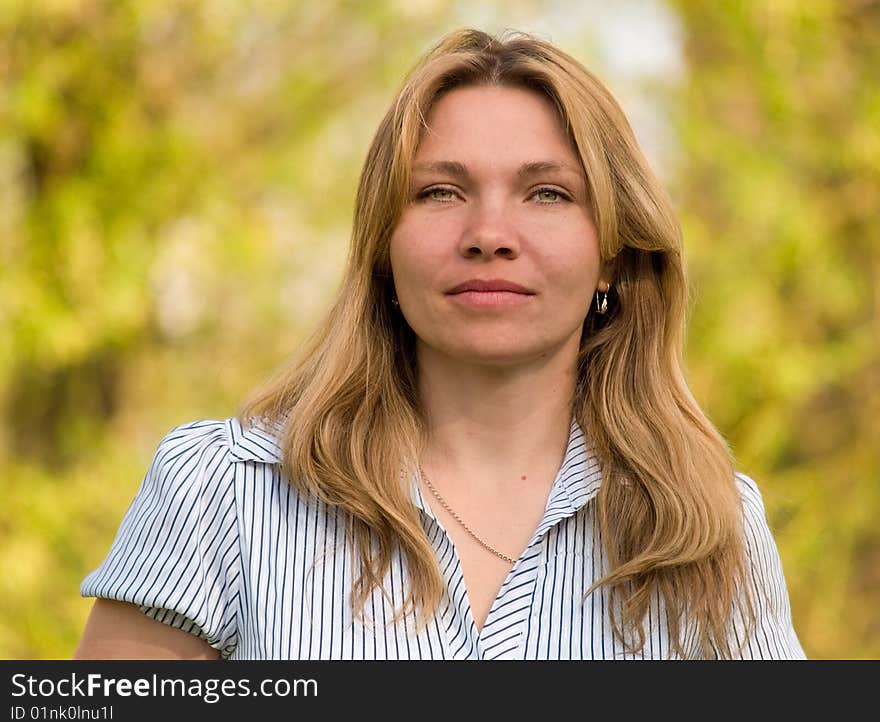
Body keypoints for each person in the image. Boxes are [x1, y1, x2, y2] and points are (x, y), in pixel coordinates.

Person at [74, 27, 806, 660]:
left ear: (613, 249)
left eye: (547, 193)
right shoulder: (221, 494)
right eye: (439, 193)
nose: (489, 236)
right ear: (384, 246)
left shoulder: (710, 528)